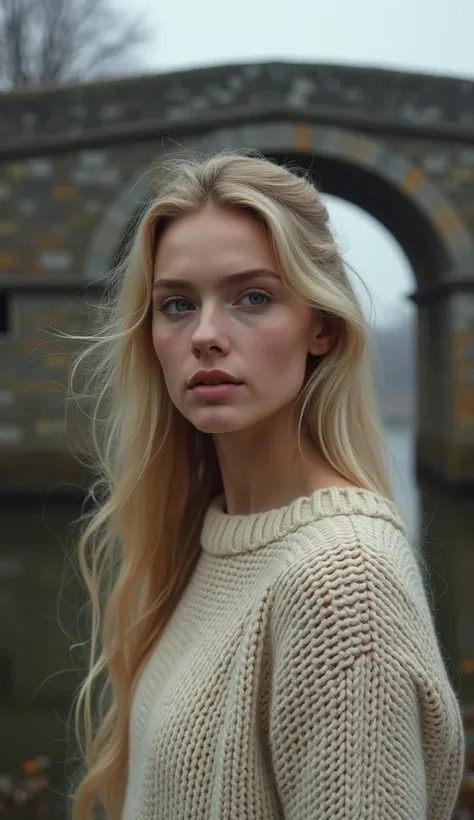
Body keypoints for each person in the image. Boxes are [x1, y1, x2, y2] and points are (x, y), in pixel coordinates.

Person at [69, 152, 465, 820]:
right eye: (177, 305)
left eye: (252, 297)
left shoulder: (343, 585)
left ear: (323, 328)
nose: (206, 336)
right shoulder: (204, 536)